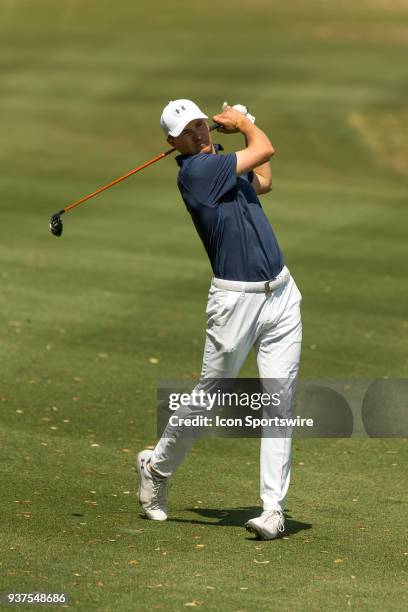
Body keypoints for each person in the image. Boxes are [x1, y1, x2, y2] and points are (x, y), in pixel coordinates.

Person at [136, 99, 302, 540]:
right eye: (188, 132)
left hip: (281, 294)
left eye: (200, 125)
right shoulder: (198, 173)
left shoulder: (221, 166)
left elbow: (263, 178)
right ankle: (156, 467)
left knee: (279, 403)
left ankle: (273, 510)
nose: (199, 134)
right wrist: (245, 124)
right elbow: (266, 150)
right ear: (173, 143)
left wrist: (246, 129)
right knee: (210, 396)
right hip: (236, 303)